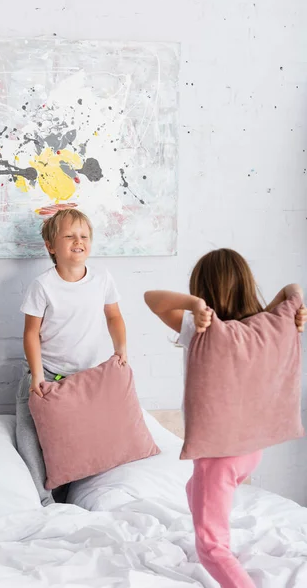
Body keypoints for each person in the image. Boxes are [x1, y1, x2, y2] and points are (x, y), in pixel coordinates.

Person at [144, 248, 307, 588]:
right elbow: (290, 289)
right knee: (194, 488)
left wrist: (193, 306)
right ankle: (205, 516)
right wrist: (298, 301)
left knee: (212, 547)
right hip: (251, 449)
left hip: (217, 456)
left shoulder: (200, 327)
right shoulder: (265, 326)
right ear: (248, 284)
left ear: (201, 288)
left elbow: (152, 299)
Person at [21, 208, 127, 395]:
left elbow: (114, 316)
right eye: (69, 236)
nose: (78, 241)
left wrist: (120, 349)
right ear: (51, 247)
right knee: (30, 425)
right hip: (45, 372)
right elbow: (31, 333)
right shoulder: (42, 285)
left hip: (84, 375)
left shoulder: (102, 278)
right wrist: (37, 375)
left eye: (84, 236)